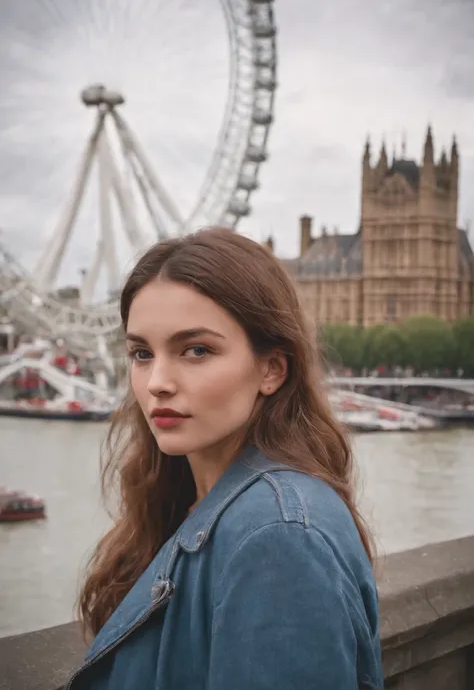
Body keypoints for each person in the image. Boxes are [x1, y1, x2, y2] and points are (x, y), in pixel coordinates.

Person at [70, 228, 384, 690]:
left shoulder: (278, 537)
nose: (157, 381)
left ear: (272, 369)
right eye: (141, 352)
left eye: (196, 350)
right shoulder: (204, 503)